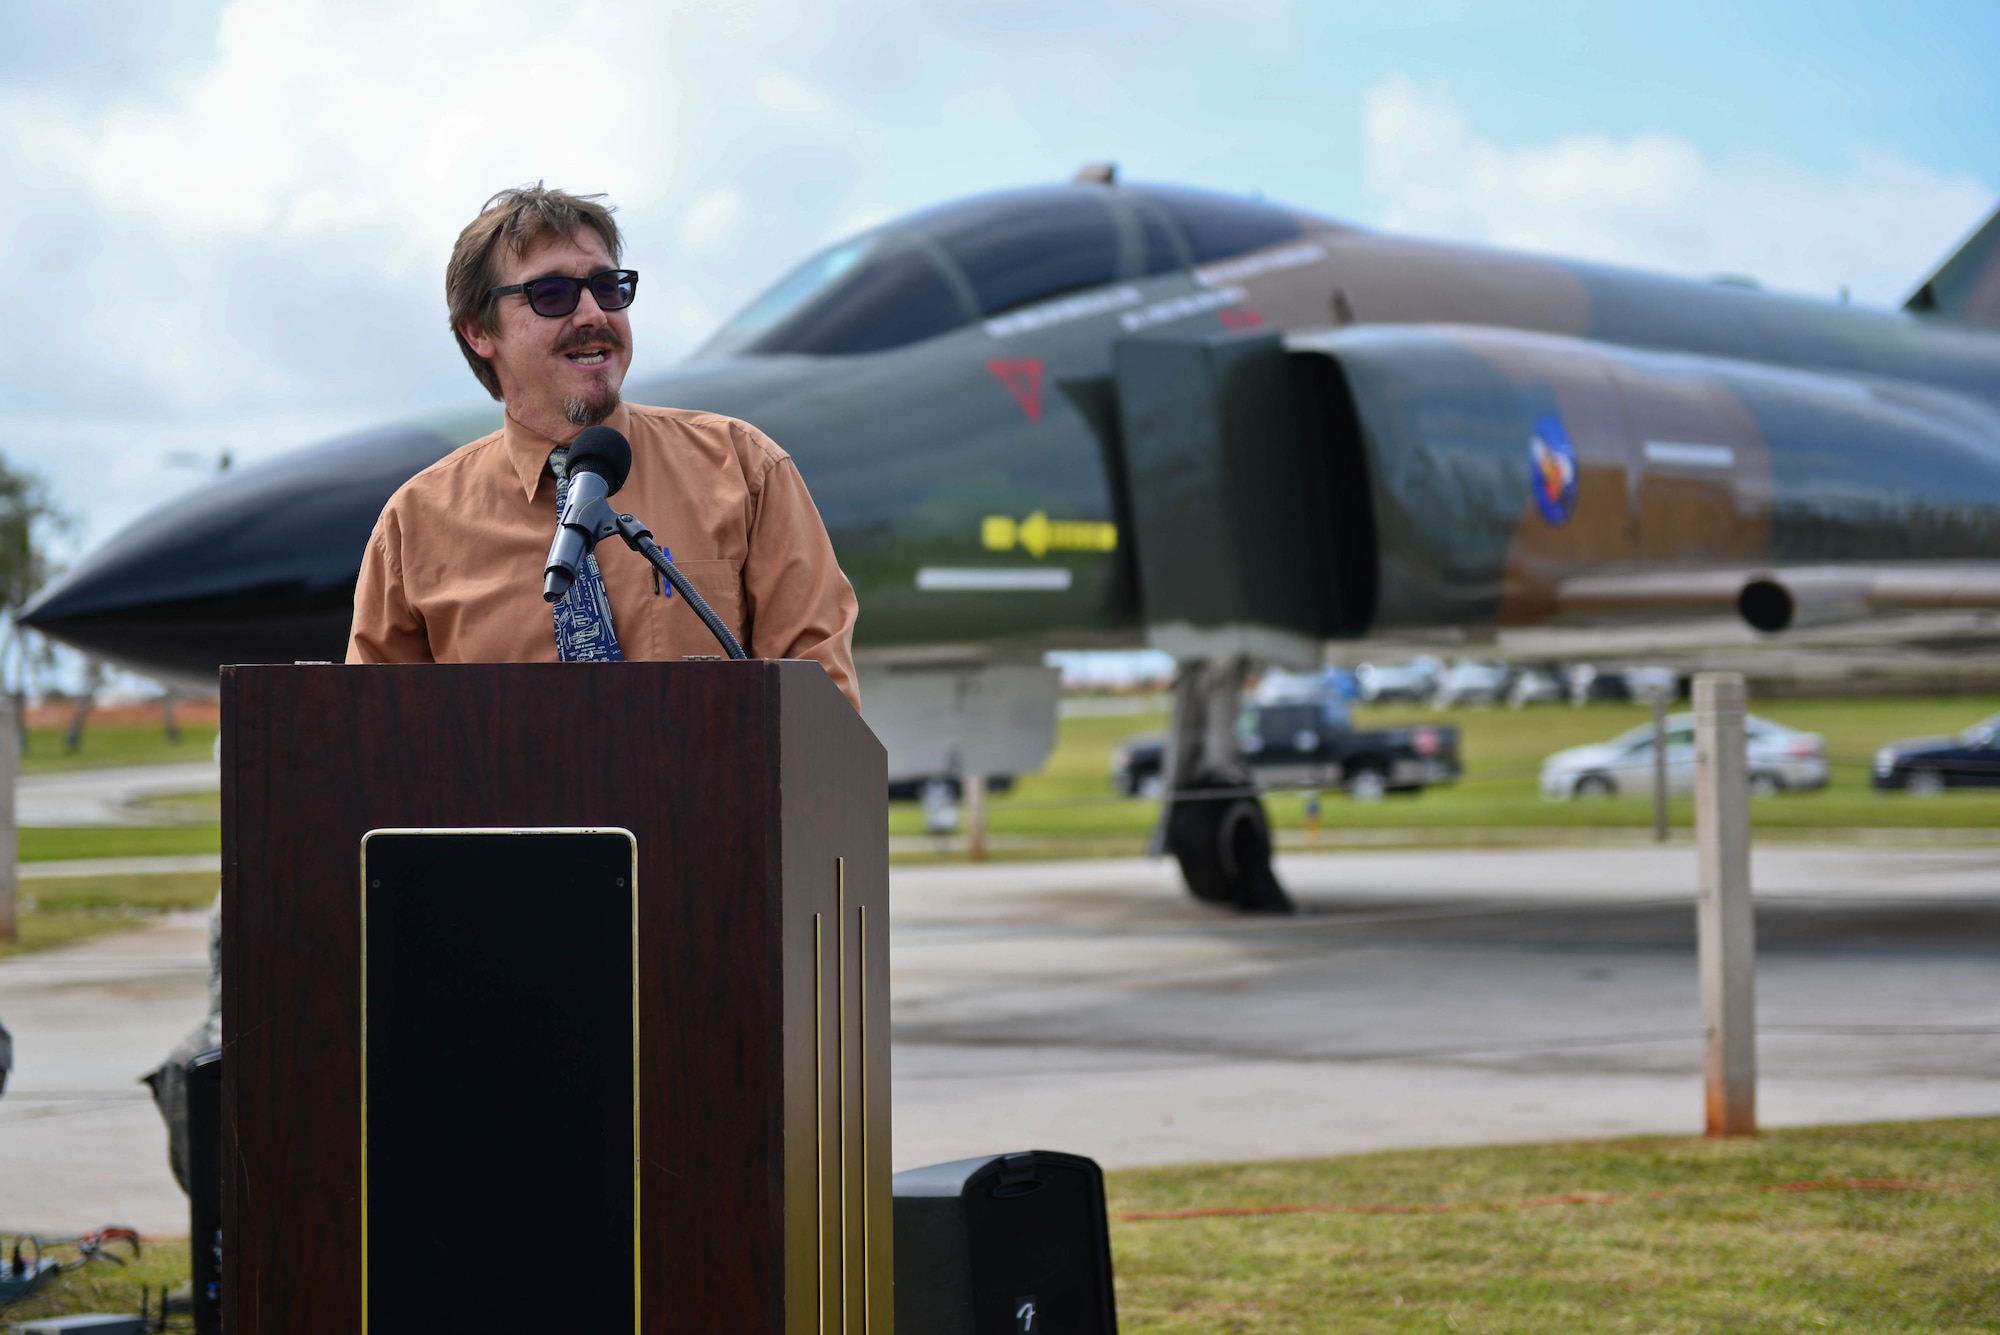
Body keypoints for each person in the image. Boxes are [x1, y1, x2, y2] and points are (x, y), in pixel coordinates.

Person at [345, 183, 859, 709]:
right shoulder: (414, 526)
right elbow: (376, 748)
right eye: (552, 294)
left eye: (608, 287)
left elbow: (820, 711)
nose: (594, 313)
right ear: (479, 331)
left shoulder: (743, 468)